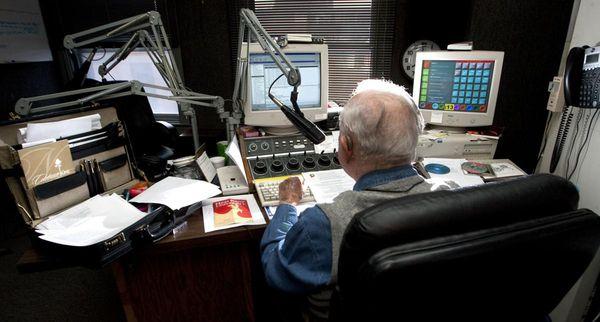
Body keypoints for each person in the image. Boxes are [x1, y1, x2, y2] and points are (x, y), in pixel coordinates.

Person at [260, 79, 450, 320]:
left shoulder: (323, 223)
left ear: (345, 146)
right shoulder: (449, 195)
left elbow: (275, 270)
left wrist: (286, 205)